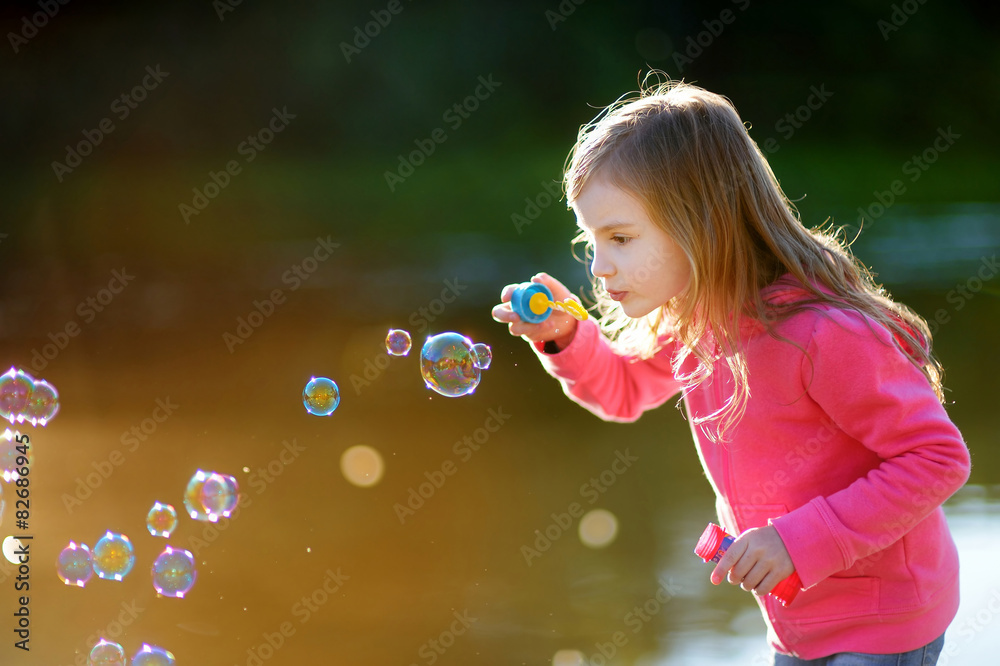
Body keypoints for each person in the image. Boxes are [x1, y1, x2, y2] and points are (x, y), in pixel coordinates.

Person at [491, 77, 971, 665]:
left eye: (619, 238)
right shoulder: (696, 325)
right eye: (591, 241)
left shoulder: (824, 334)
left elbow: (937, 459)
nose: (600, 267)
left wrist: (798, 542)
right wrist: (568, 338)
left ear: (701, 222)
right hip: (797, 617)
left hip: (883, 618)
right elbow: (622, 390)